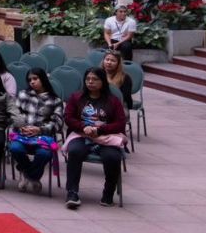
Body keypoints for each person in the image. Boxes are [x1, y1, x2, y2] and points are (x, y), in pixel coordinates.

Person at [63, 67, 127, 209]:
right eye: (88, 79)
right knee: (74, 151)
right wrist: (83, 127)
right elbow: (68, 117)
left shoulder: (113, 101)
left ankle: (108, 194)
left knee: (113, 157)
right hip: (82, 134)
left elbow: (120, 123)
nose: (90, 82)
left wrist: (100, 129)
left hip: (106, 137)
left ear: (103, 81)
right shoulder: (76, 97)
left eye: (95, 79)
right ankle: (72, 193)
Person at [10, 68, 64, 194]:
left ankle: (27, 174)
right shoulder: (23, 95)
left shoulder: (54, 100)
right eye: (29, 80)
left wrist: (40, 129)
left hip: (42, 137)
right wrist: (21, 126)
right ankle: (33, 177)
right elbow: (14, 114)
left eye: (35, 79)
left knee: (44, 154)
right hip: (22, 134)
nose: (32, 82)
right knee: (15, 149)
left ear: (43, 79)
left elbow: (58, 122)